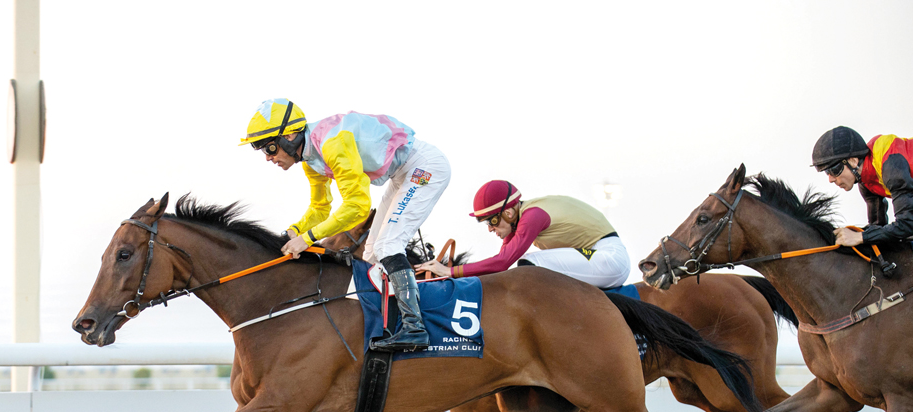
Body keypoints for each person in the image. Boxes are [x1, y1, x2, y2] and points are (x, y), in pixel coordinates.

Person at [240, 98, 451, 351]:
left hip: (424, 167)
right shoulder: (310, 159)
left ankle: (415, 329)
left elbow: (358, 207)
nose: (267, 157)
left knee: (388, 246)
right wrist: (293, 232)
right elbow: (320, 209)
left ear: (290, 136)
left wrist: (306, 239)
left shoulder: (332, 143)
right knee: (373, 253)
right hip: (402, 174)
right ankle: (391, 325)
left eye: (270, 148)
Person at [415, 180, 630, 288]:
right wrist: (452, 273)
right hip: (593, 257)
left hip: (608, 259)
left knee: (528, 264)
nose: (490, 228)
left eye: (492, 220)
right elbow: (498, 265)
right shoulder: (518, 217)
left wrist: (450, 272)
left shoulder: (532, 216)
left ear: (508, 212)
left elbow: (502, 263)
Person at [811, 126, 913, 247]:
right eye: (827, 173)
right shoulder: (866, 181)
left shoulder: (890, 163)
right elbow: (878, 226)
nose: (830, 179)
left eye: (834, 170)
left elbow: (907, 224)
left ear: (853, 161)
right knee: (909, 237)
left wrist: (860, 237)